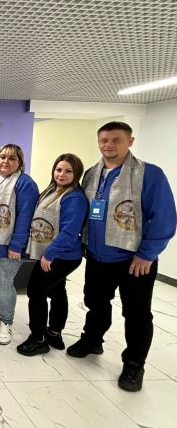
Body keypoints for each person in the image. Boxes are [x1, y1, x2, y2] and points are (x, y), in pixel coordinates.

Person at [67, 121, 176, 392]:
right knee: (95, 303)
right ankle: (93, 340)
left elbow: (164, 217)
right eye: (104, 140)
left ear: (130, 141)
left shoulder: (149, 174)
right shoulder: (91, 174)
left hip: (134, 261)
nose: (109, 145)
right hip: (97, 256)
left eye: (116, 139)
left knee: (137, 314)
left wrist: (147, 254)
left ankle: (134, 364)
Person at [17, 153, 88, 356]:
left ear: (76, 174)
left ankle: (38, 339)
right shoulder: (52, 190)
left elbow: (69, 232)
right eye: (58, 170)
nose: (61, 174)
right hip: (54, 254)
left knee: (36, 291)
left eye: (68, 171)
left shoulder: (74, 198)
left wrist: (49, 255)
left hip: (61, 256)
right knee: (57, 291)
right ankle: (54, 333)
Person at [0, 143, 38, 345]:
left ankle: (6, 322)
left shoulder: (25, 184)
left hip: (9, 245)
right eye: (2, 157)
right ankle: (1, 313)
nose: (6, 161)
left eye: (12, 158)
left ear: (20, 163)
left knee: (3, 283)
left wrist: (16, 246)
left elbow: (25, 217)